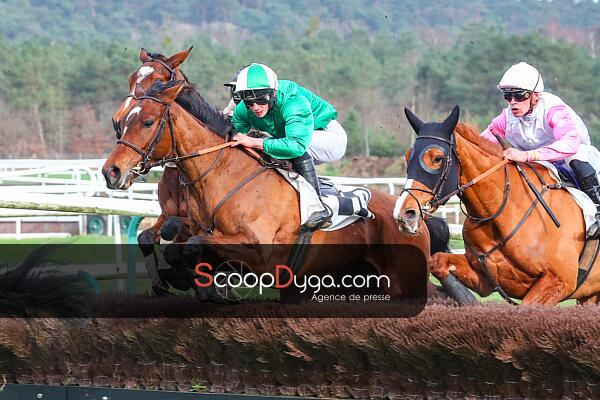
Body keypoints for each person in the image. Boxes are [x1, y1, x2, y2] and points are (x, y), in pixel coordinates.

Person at [479, 62, 600, 238]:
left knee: (576, 155)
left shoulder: (553, 109)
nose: (512, 102)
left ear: (536, 96)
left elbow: (570, 144)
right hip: (538, 162)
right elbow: (480, 144)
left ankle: (597, 208)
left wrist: (528, 155)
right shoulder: (506, 117)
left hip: (572, 158)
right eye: (508, 96)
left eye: (519, 95)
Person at [230, 63, 348, 229]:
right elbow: (233, 136)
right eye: (249, 102)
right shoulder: (244, 109)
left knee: (287, 148)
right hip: (292, 138)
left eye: (261, 100)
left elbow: (296, 145)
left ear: (273, 93)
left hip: (328, 137)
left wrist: (255, 142)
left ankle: (317, 208)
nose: (255, 107)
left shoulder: (293, 101)